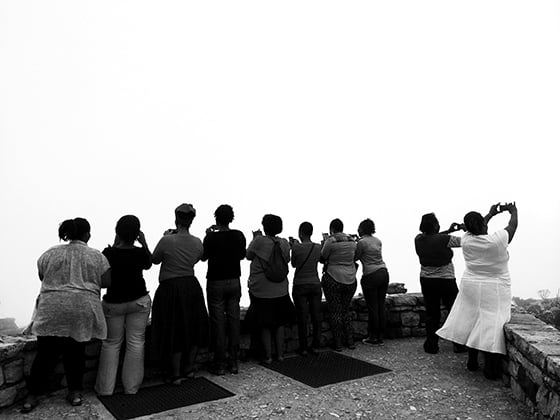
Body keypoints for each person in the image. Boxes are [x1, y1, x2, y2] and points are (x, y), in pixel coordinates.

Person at [22, 218, 111, 413]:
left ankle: (31, 396)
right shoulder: (96, 256)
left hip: (52, 309)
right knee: (76, 351)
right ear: (87, 234)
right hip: (81, 309)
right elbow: (106, 281)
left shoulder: (50, 253)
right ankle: (75, 392)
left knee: (45, 354)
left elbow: (41, 275)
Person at [437, 202, 518, 380]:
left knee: (471, 319)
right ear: (482, 225)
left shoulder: (466, 239)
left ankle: (472, 360)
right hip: (495, 287)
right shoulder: (496, 240)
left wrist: (489, 214)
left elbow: (476, 226)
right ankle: (490, 367)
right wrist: (513, 211)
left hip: (471, 285)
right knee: (492, 325)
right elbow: (512, 227)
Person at [151, 203, 209, 385]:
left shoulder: (167, 240)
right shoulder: (197, 242)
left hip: (170, 287)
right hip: (191, 285)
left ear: (176, 219)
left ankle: (175, 373)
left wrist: (165, 237)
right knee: (193, 327)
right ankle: (189, 368)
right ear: (192, 220)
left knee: (175, 329)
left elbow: (154, 259)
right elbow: (200, 257)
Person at [95, 215, 152, 396]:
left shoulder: (108, 253)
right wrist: (144, 243)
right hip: (138, 301)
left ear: (117, 231)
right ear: (137, 233)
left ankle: (105, 389)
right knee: (136, 342)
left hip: (114, 303)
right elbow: (149, 263)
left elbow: (104, 269)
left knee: (111, 344)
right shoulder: (139, 253)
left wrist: (115, 242)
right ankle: (131, 388)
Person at [202, 205, 246, 375]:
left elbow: (204, 257)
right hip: (234, 280)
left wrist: (208, 235)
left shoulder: (211, 238)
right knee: (234, 321)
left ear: (216, 218)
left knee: (218, 323)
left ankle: (219, 363)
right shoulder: (238, 235)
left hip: (215, 282)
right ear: (231, 219)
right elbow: (242, 254)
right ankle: (234, 361)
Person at [246, 214, 295, 364]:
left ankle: (267, 356)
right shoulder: (285, 243)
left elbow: (248, 255)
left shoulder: (260, 241)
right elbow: (286, 259)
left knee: (265, 324)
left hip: (262, 290)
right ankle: (280, 355)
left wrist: (255, 238)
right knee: (279, 323)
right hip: (280, 289)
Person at [414, 213, 464, 354]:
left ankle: (431, 344)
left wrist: (449, 231)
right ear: (436, 225)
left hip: (427, 280)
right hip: (446, 279)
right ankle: (459, 344)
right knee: (454, 311)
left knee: (432, 313)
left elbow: (432, 238)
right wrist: (469, 229)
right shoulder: (445, 240)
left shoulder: (418, 239)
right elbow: (463, 242)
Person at [320, 218, 358, 351]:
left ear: (332, 229)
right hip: (350, 279)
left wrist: (323, 243)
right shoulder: (352, 241)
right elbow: (355, 257)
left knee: (335, 311)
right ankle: (350, 341)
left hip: (333, 278)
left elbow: (322, 258)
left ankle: (338, 343)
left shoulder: (331, 241)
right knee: (345, 310)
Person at [354, 218, 389, 346]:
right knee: (381, 305)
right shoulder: (378, 241)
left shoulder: (361, 243)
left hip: (370, 275)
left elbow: (355, 257)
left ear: (362, 229)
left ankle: (373, 337)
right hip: (383, 272)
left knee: (373, 307)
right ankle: (380, 335)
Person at [290, 222, 322, 356]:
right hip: (315, 284)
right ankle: (316, 346)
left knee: (302, 317)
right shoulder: (318, 247)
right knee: (316, 316)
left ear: (301, 233)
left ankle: (303, 348)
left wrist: (294, 247)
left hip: (300, 285)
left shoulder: (297, 248)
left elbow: (293, 264)